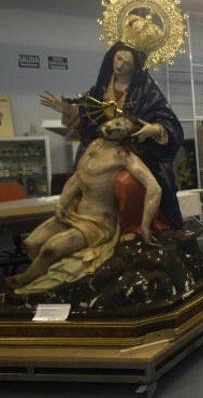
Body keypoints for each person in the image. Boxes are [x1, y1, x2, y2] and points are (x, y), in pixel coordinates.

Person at [40, 41, 184, 231]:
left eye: (127, 63)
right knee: (81, 178)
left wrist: (154, 129)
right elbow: (86, 115)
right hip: (99, 151)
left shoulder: (146, 91)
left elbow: (169, 121)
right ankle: (85, 226)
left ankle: (133, 230)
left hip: (133, 153)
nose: (120, 65)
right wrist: (66, 108)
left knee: (127, 184)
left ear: (136, 67)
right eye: (118, 59)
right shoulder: (100, 89)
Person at [6, 117, 160, 293]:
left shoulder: (124, 156)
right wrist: (62, 203)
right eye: (114, 121)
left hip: (97, 223)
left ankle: (26, 282)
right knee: (31, 243)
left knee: (51, 248)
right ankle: (43, 276)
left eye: (119, 125)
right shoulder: (95, 144)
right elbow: (78, 178)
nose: (110, 124)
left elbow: (155, 189)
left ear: (127, 134)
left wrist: (145, 226)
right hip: (74, 212)